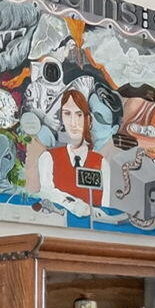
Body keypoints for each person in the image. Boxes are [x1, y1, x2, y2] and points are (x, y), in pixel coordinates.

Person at [36, 86, 104, 217]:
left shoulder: (101, 162)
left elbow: (106, 205)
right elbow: (46, 192)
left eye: (79, 114)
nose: (73, 123)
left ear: (88, 120)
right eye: (67, 114)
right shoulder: (48, 158)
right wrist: (74, 205)